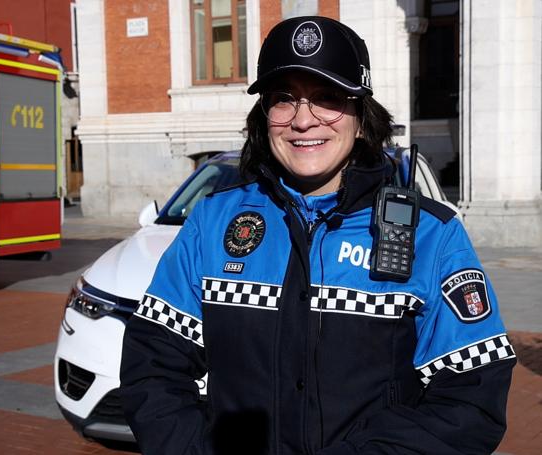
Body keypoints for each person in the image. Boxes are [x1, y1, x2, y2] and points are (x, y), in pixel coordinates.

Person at [120, 16, 515, 455]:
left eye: (327, 98)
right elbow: (153, 365)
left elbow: (470, 400)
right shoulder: (212, 221)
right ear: (264, 116)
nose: (303, 121)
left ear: (362, 118)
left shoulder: (432, 235)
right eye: (283, 99)